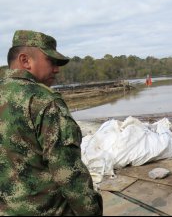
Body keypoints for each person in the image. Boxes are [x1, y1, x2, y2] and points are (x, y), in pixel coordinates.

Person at [0, 30, 103, 216]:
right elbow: (70, 175)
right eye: (51, 61)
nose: (56, 69)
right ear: (25, 61)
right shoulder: (44, 102)